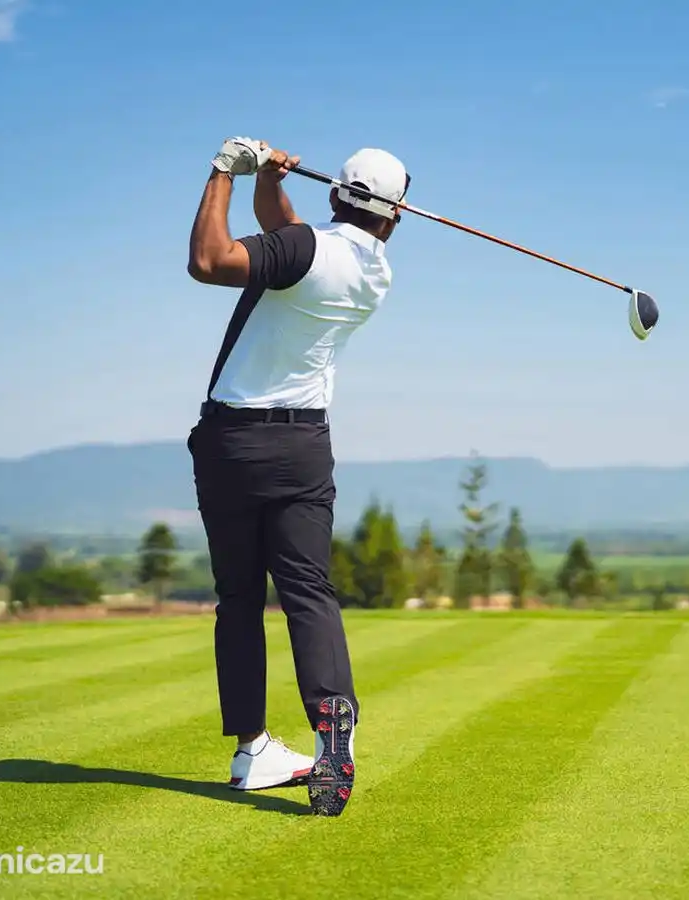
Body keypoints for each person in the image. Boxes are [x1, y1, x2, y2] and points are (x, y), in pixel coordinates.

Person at [185, 136, 410, 816]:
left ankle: (253, 747)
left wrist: (224, 170)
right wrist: (269, 181)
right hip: (305, 443)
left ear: (337, 193)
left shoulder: (305, 249)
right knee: (309, 592)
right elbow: (288, 239)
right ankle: (330, 717)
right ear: (394, 216)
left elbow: (209, 261)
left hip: (234, 441)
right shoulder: (375, 271)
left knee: (240, 601)